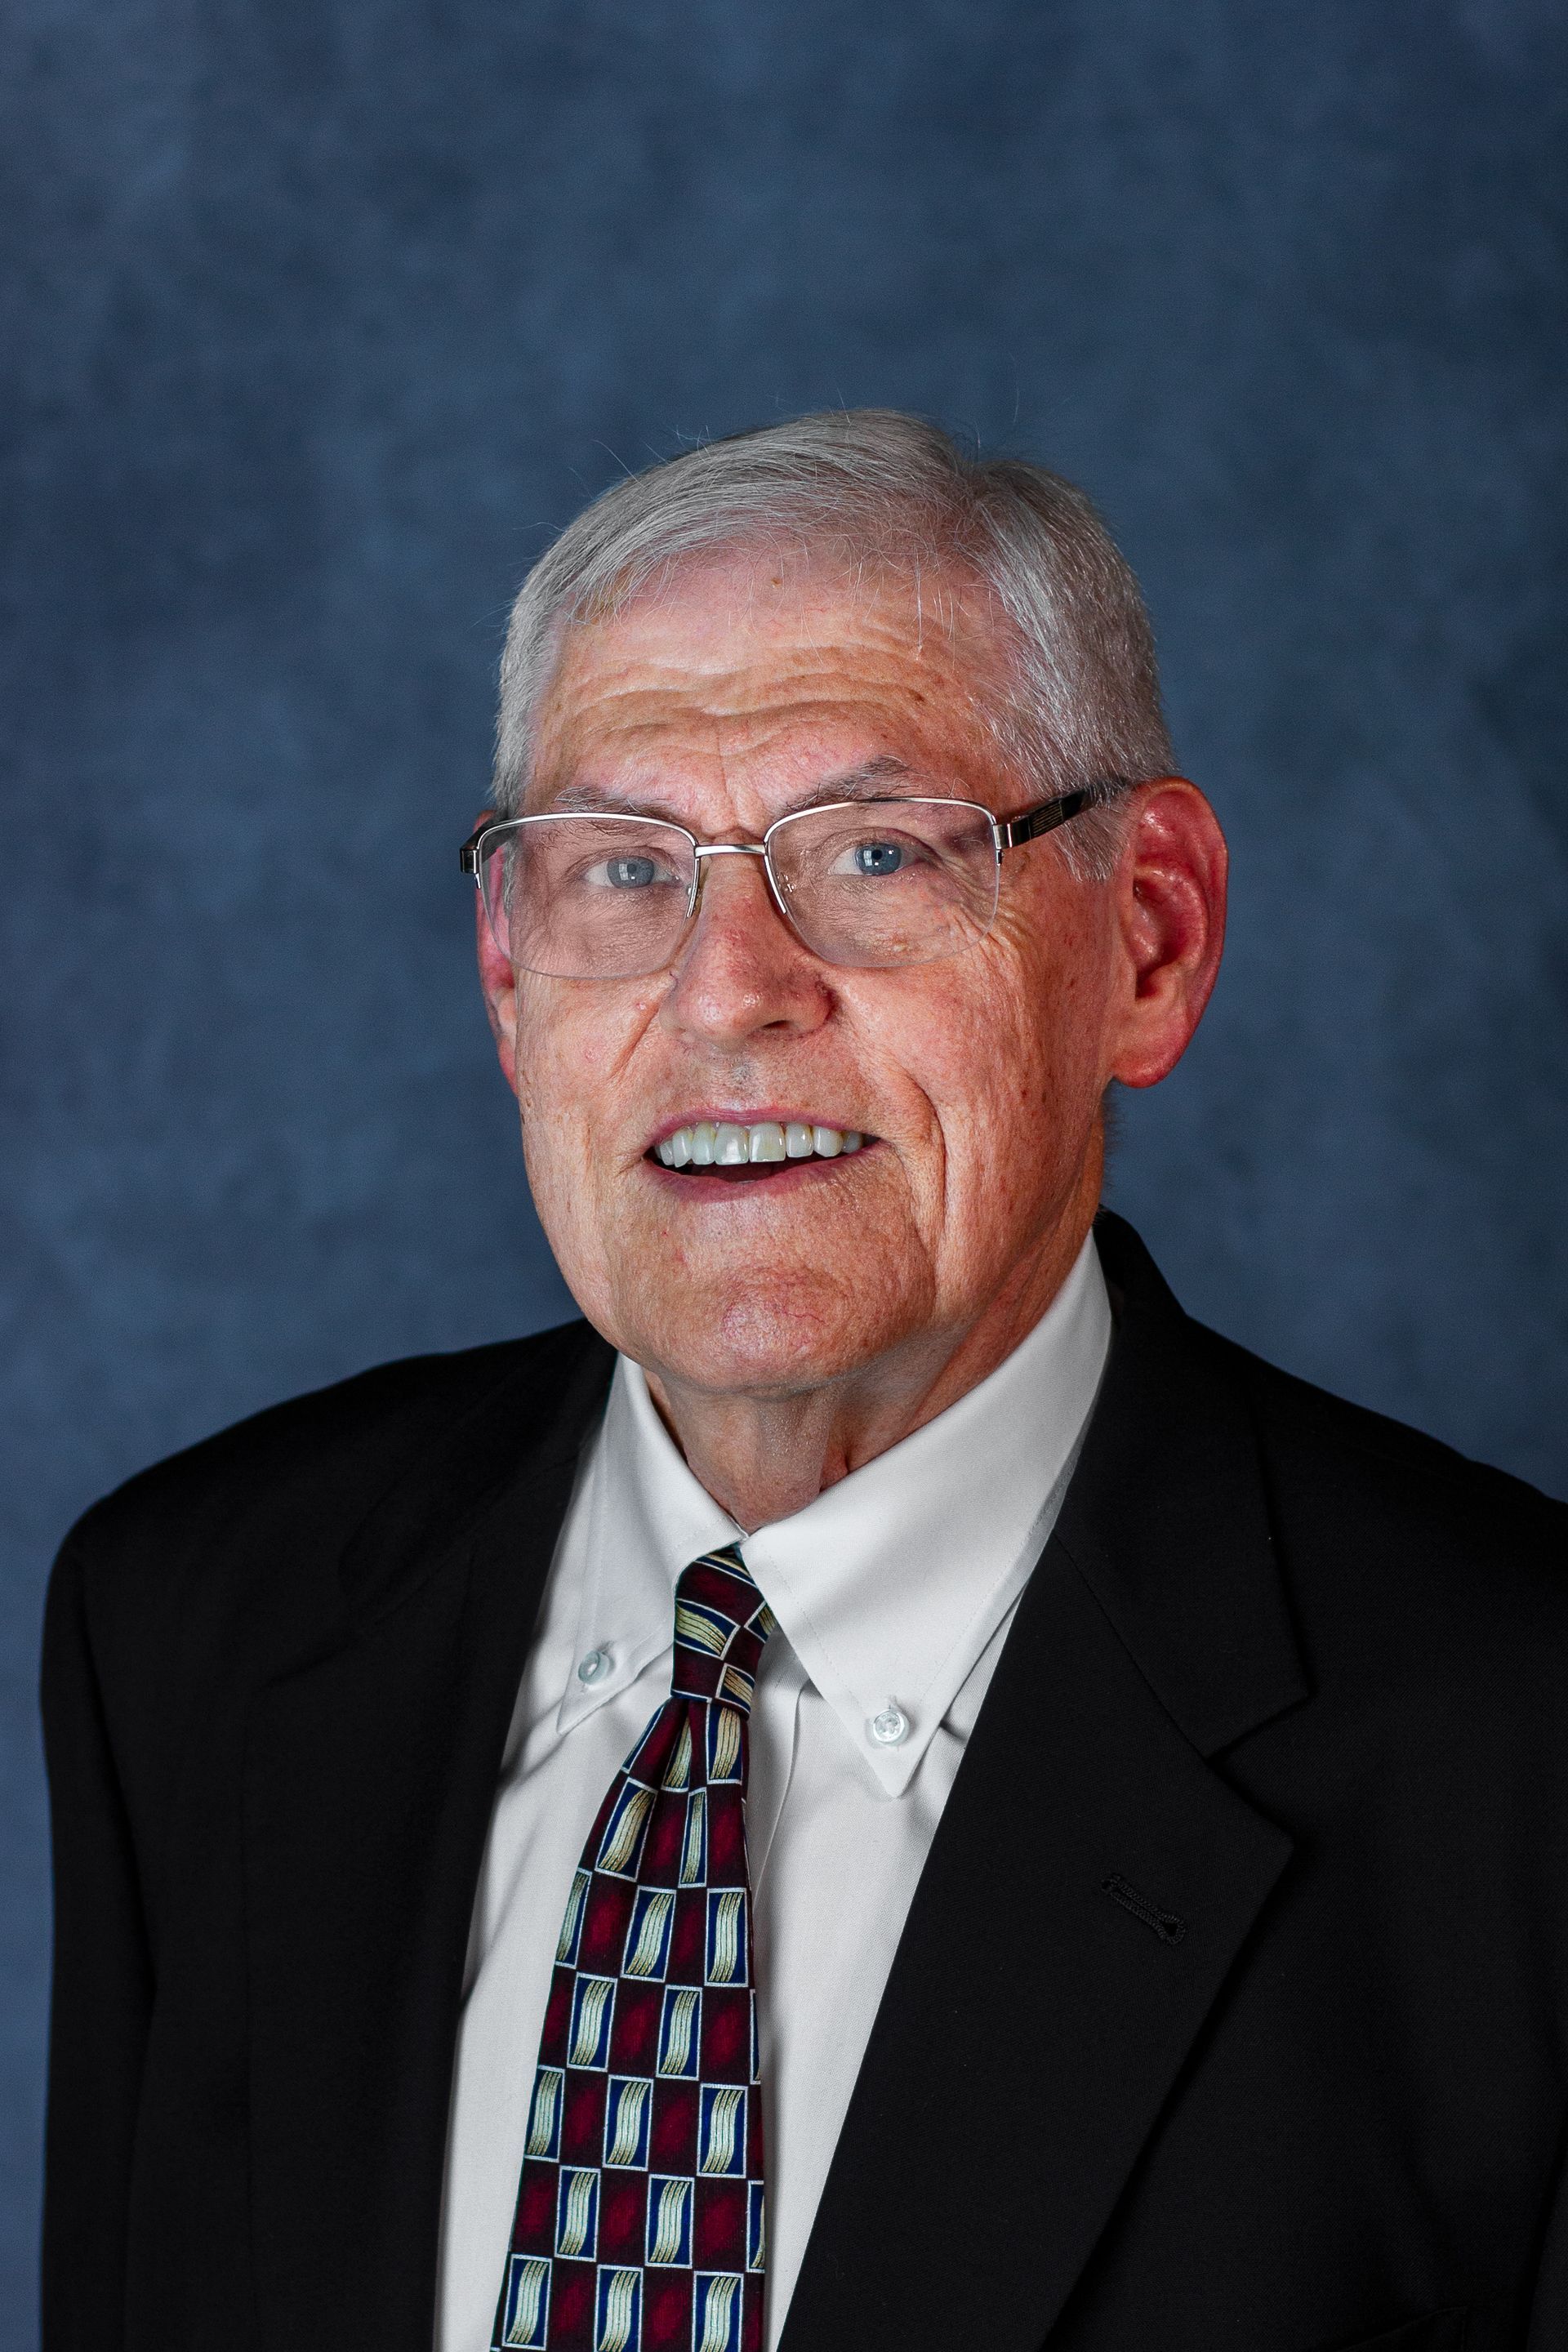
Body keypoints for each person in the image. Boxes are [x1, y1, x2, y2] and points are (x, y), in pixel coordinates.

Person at [42, 411, 1568, 2352]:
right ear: (509, 981)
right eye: (622, 869)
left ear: (1150, 943)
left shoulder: (1514, 1756)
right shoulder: (191, 1627)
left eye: (871, 850)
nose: (728, 988)